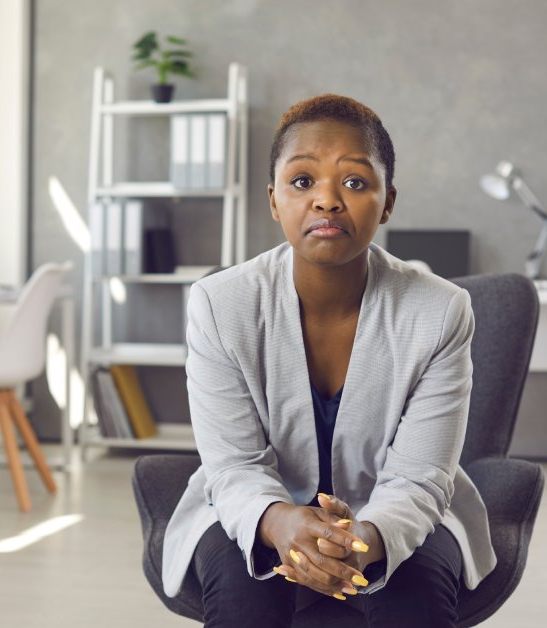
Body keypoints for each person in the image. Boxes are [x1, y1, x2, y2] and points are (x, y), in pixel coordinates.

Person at [161, 94, 496, 627]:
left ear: (387, 202)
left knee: (417, 601)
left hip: (398, 512)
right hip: (254, 506)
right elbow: (235, 468)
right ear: (274, 201)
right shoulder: (219, 305)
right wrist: (281, 524)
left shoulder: (441, 311)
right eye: (302, 182)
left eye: (356, 182)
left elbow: (418, 478)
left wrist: (362, 538)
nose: (327, 200)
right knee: (245, 599)